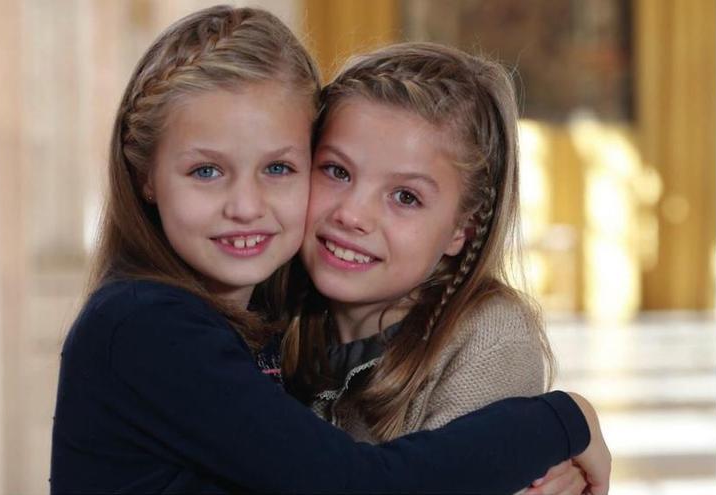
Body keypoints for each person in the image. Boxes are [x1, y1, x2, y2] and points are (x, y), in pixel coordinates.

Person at [50, 6, 610, 494]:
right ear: (145, 176)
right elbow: (355, 485)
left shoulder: (256, 310)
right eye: (206, 170)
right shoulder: (150, 327)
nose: (246, 205)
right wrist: (563, 419)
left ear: (465, 226)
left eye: (277, 167)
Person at [276, 42, 590, 493]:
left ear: (462, 228)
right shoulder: (269, 302)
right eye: (337, 171)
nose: (353, 214)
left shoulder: (490, 340)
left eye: (406, 197)